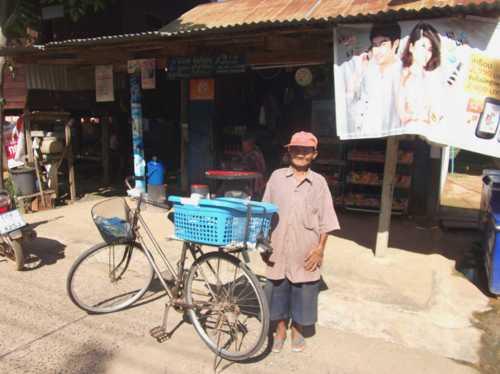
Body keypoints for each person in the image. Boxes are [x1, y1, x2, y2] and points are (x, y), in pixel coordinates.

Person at [262, 131, 340, 353]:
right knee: (277, 290)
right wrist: (261, 243)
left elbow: (326, 219)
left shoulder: (320, 183)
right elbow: (264, 211)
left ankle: (297, 329)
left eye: (306, 150)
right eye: (296, 149)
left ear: (314, 155)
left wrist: (320, 250)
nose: (300, 154)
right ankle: (280, 330)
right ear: (289, 152)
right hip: (277, 247)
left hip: (305, 250)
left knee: (304, 291)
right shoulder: (276, 177)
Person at [346, 22, 402, 135]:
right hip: (364, 132)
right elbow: (353, 100)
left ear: (395, 44)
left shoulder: (404, 72)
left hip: (393, 135)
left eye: (383, 44)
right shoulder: (368, 70)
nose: (377, 50)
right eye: (375, 45)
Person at [398, 22, 443, 125]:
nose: (426, 53)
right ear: (411, 47)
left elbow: (435, 113)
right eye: (423, 46)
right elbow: (399, 113)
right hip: (406, 134)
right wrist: (417, 117)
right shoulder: (403, 75)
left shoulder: (430, 78)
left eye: (430, 49)